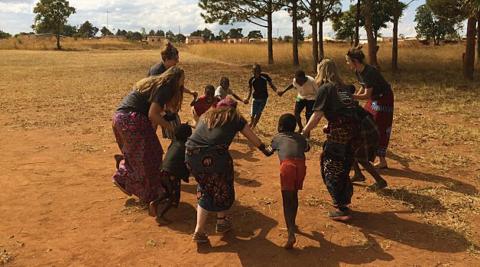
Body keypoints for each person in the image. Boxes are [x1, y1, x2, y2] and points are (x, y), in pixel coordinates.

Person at [185, 97, 270, 243]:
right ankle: (214, 224)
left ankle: (209, 226)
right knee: (224, 187)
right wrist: (266, 150)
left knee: (206, 187)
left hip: (190, 155)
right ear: (234, 108)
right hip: (214, 158)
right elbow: (253, 138)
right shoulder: (235, 117)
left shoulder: (207, 115)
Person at [112, 66, 185, 204]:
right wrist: (173, 129)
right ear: (176, 79)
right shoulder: (166, 87)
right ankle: (122, 176)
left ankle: (146, 191)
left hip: (120, 118)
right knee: (151, 156)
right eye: (183, 79)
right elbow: (153, 114)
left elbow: (151, 116)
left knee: (147, 154)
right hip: (132, 120)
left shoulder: (156, 83)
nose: (183, 82)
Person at [302, 59, 360, 221]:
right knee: (344, 166)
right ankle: (345, 201)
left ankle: (341, 208)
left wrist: (305, 131)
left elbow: (317, 115)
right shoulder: (344, 87)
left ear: (321, 71)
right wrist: (330, 125)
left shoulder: (326, 88)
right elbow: (345, 110)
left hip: (339, 136)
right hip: (353, 134)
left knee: (331, 168)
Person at [315, 62, 388, 190]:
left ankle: (380, 180)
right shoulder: (342, 87)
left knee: (360, 156)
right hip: (362, 122)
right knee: (350, 149)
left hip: (361, 125)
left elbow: (339, 110)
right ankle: (358, 174)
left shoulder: (330, 88)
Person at [263, 114, 310, 249]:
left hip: (287, 166)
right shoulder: (300, 137)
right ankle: (293, 224)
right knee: (294, 196)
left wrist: (260, 146)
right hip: (301, 166)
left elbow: (268, 152)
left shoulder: (278, 137)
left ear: (280, 126)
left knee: (286, 200)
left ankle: (290, 233)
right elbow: (307, 148)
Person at [346, 46, 394, 169]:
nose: (347, 63)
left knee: (379, 127)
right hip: (374, 99)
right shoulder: (358, 71)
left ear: (355, 62)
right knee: (365, 123)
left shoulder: (370, 72)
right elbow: (363, 87)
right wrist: (355, 96)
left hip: (383, 99)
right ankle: (363, 157)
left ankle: (382, 161)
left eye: (348, 61)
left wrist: (351, 97)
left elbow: (367, 94)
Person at [147, 42, 197, 139]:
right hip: (153, 103)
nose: (177, 62)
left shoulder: (169, 70)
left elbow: (176, 86)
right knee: (154, 123)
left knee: (162, 121)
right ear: (166, 59)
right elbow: (155, 95)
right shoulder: (157, 71)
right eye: (175, 59)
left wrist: (190, 91)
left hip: (160, 103)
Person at [149, 124, 192, 219]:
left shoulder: (174, 143)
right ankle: (161, 215)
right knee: (173, 196)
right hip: (172, 175)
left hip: (162, 171)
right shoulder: (185, 147)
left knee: (168, 192)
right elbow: (186, 163)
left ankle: (155, 202)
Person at [244, 64, 278, 129]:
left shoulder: (265, 76)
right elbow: (250, 90)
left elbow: (271, 85)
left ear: (260, 71)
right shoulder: (251, 80)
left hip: (263, 98)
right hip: (255, 98)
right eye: (254, 71)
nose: (256, 73)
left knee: (259, 113)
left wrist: (276, 91)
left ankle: (253, 126)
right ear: (252, 71)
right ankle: (251, 123)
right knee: (253, 113)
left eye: (257, 71)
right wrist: (248, 98)